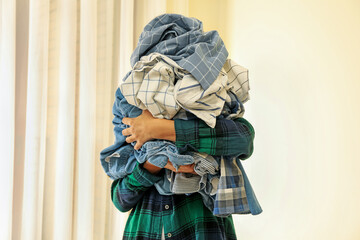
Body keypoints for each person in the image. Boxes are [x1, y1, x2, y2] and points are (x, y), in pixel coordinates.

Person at [110, 109, 255, 240]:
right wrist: (154, 163)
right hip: (143, 230)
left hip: (204, 229)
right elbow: (121, 201)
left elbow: (243, 139)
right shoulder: (135, 123)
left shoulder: (210, 110)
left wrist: (157, 129)